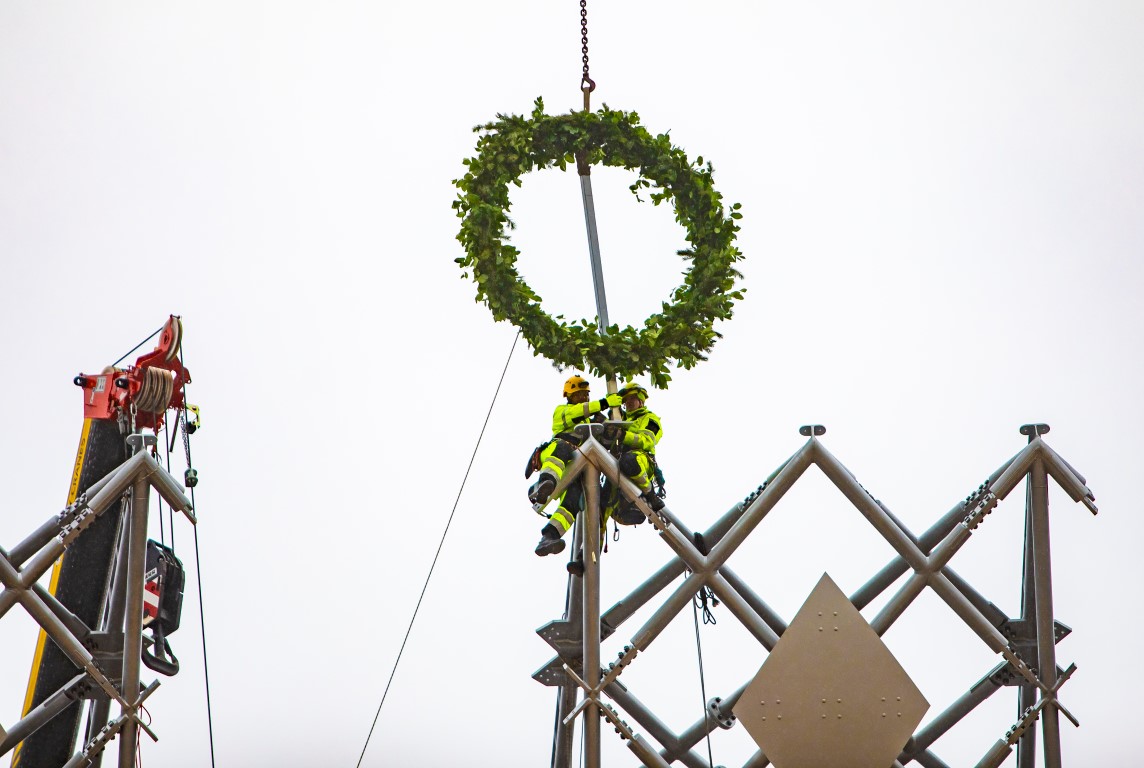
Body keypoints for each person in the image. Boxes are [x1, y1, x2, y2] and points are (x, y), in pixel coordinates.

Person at [531, 375, 623, 556]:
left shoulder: (591, 421)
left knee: (573, 499)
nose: (584, 398)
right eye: (580, 394)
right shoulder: (563, 411)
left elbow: (605, 442)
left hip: (576, 467)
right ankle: (545, 483)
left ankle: (550, 536)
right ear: (569, 396)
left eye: (586, 394)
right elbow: (580, 411)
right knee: (563, 448)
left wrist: (613, 426)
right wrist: (604, 403)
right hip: (557, 456)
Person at [607, 381, 665, 523]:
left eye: (632, 398)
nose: (629, 402)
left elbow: (647, 440)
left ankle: (650, 494)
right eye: (626, 400)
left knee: (629, 460)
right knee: (601, 497)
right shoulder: (620, 419)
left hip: (641, 461)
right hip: (618, 466)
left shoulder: (650, 419)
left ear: (641, 400)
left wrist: (623, 435)